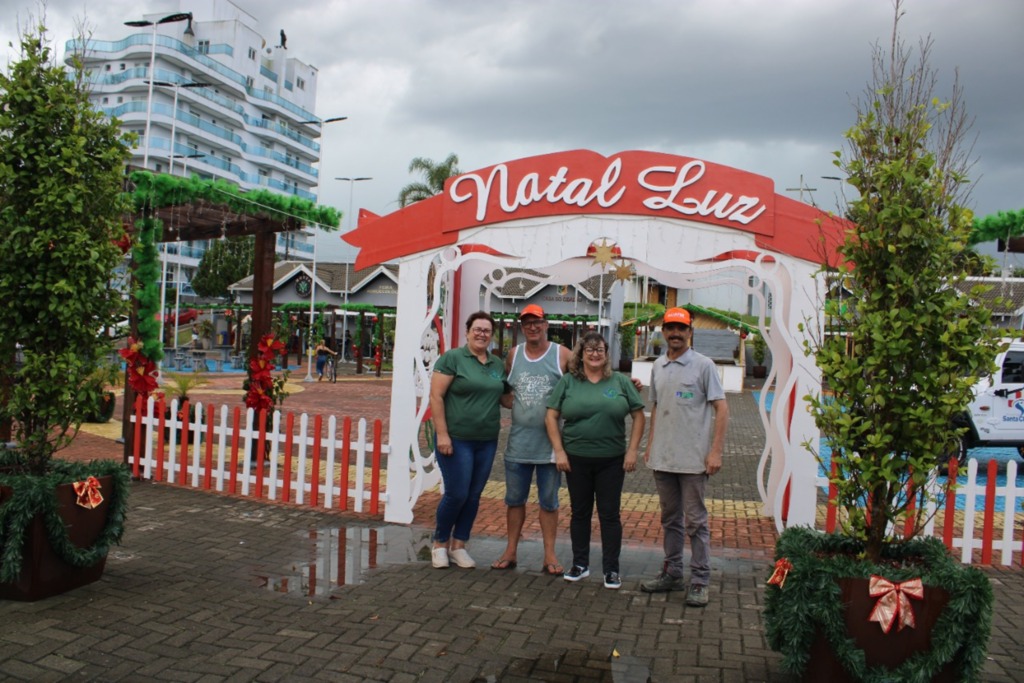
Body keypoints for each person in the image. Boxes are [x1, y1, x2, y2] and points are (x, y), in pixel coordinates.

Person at [639, 307, 729, 607]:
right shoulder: (658, 366)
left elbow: (722, 409)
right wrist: (649, 447)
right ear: (663, 332)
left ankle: (701, 580)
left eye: (681, 328)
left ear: (690, 332)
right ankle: (673, 573)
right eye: (670, 328)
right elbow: (655, 409)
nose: (675, 333)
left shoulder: (704, 366)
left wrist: (715, 451)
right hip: (662, 459)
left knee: (696, 523)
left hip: (693, 461)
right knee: (670, 520)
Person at [545, 331, 645, 589]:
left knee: (609, 515)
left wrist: (632, 450)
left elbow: (639, 415)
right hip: (576, 459)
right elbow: (551, 416)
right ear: (581, 353)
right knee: (580, 513)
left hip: (611, 460)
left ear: (606, 353)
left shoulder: (620, 382)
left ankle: (611, 570)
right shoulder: (568, 382)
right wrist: (559, 450)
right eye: (589, 349)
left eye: (599, 349)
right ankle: (580, 564)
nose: (595, 353)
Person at [490, 304, 572, 576]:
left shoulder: (561, 354)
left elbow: (587, 379)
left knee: (549, 502)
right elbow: (503, 389)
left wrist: (626, 384)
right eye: (527, 323)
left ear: (546, 324)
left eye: (537, 322)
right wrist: (507, 402)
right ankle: (510, 551)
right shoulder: (514, 354)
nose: (532, 327)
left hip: (550, 447)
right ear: (521, 327)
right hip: (518, 444)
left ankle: (549, 555)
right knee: (514, 500)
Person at [429, 311, 507, 569]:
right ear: (467, 332)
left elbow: (505, 399)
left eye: (487, 330)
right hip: (456, 439)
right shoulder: (453, 358)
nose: (482, 334)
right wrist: (442, 434)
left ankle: (459, 545)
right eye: (478, 329)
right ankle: (440, 543)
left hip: (486, 440)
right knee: (457, 493)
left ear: (491, 335)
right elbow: (436, 397)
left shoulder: (496, 364)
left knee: (473, 495)